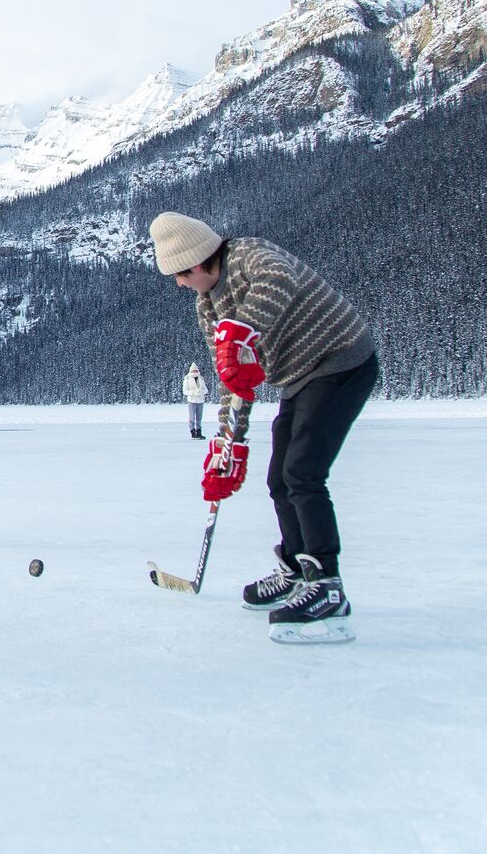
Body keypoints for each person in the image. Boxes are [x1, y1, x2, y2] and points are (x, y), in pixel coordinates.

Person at [150, 212, 377, 645]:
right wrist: (227, 440)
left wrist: (242, 329)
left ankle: (327, 584)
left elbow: (279, 279)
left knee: (303, 473)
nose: (178, 284)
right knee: (279, 479)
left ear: (197, 263)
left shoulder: (251, 256)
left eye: (179, 275)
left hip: (341, 360)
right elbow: (233, 376)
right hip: (299, 378)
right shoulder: (208, 305)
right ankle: (296, 568)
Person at [181, 362, 207, 439]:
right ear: (190, 371)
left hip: (200, 401)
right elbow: (185, 391)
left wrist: (201, 392)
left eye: (196, 370)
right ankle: (192, 432)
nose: (195, 372)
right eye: (193, 370)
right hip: (192, 401)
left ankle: (199, 432)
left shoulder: (201, 378)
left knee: (199, 418)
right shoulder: (187, 379)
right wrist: (194, 393)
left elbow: (205, 389)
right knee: (192, 418)